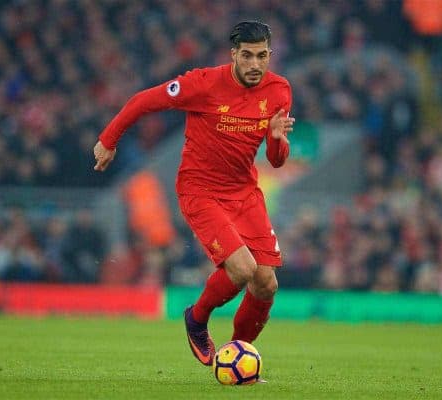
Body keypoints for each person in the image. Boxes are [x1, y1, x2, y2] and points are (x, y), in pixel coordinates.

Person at [93, 21, 294, 366]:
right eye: (247, 56)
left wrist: (277, 138)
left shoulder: (279, 91)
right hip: (200, 190)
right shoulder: (203, 84)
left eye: (262, 56)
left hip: (244, 192)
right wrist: (108, 140)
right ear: (233, 55)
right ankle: (197, 319)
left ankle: (235, 359)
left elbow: (276, 161)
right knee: (244, 268)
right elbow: (144, 101)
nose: (255, 65)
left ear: (269, 56)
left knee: (266, 283)